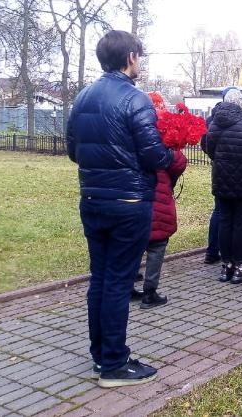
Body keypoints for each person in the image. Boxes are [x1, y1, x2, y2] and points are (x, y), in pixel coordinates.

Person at [66, 30, 172, 388]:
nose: (139, 62)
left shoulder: (82, 98)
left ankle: (101, 355)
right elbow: (154, 154)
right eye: (138, 56)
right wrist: (171, 155)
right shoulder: (135, 99)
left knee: (101, 278)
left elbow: (72, 150)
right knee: (117, 282)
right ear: (130, 57)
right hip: (128, 204)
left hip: (93, 201)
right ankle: (113, 363)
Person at [206, 89, 242, 284]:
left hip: (221, 179)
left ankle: (226, 265)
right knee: (240, 224)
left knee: (224, 221)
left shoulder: (214, 124)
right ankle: (239, 266)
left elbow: (209, 150)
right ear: (240, 104)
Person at [136, 148, 188, 309]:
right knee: (156, 248)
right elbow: (179, 163)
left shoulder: (128, 136)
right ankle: (149, 293)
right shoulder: (160, 144)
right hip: (158, 201)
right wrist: (174, 147)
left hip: (134, 199)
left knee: (133, 245)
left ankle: (127, 287)